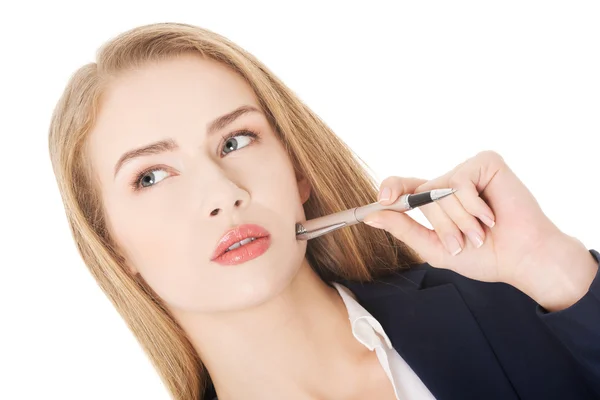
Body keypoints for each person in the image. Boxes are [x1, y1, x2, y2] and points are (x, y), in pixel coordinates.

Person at [47, 22, 599, 400]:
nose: (221, 193)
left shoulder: (510, 302)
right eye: (150, 176)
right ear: (113, 247)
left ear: (297, 169)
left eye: (237, 140)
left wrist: (554, 269)